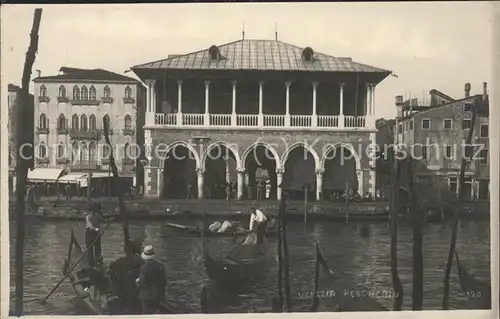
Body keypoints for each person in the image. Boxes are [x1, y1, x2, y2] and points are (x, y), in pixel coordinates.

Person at [108, 240, 144, 314]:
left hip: (123, 291)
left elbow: (112, 275)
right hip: (136, 291)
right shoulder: (140, 261)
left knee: (124, 308)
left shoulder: (119, 261)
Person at [136, 245, 166, 314]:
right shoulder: (160, 266)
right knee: (155, 312)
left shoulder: (144, 268)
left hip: (147, 297)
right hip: (157, 295)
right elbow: (164, 281)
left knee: (146, 313)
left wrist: (137, 282)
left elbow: (142, 283)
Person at [85, 202, 103, 266]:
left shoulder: (98, 216)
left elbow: (103, 220)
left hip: (97, 234)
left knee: (98, 248)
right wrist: (97, 229)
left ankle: (98, 261)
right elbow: (90, 226)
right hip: (90, 234)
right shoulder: (88, 217)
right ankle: (90, 262)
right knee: (90, 249)